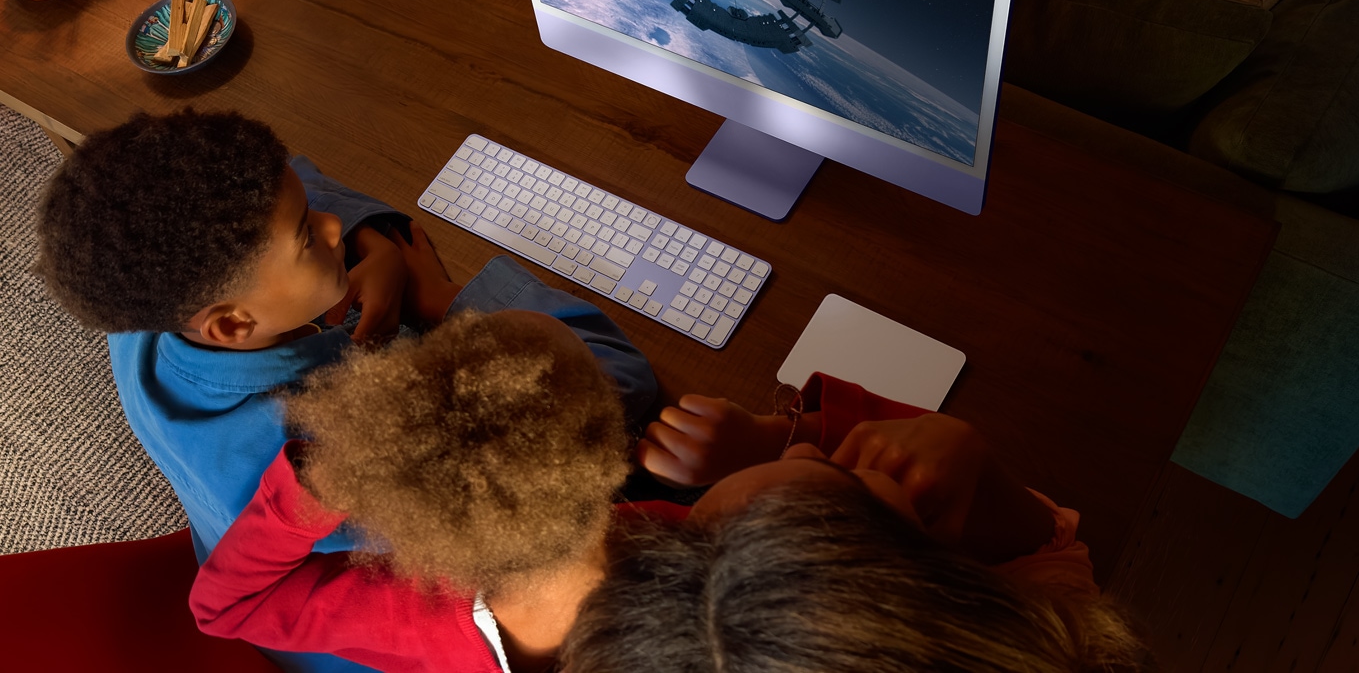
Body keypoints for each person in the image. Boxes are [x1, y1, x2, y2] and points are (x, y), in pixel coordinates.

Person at [34, 109, 656, 673]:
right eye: (309, 236)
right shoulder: (349, 454)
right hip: (357, 628)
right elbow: (611, 390)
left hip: (250, 569)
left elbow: (295, 175)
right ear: (232, 324)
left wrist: (372, 244)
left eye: (317, 217)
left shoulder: (147, 317)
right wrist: (443, 298)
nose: (331, 225)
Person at [565, 376, 1158, 673]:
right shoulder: (1061, 648)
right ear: (954, 593)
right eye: (846, 479)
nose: (804, 452)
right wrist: (968, 456)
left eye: (695, 531)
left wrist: (775, 443)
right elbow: (1055, 566)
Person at [190, 307, 637, 673]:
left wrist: (321, 484)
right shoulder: (670, 540)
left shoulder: (405, 614)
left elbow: (223, 609)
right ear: (610, 447)